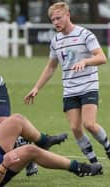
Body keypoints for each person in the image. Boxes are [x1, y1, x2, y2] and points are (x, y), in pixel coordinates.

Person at [24, 2, 110, 164]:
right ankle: (93, 162)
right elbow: (50, 67)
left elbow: (102, 57)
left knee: (89, 124)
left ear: (68, 15)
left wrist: (85, 61)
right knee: (76, 128)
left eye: (58, 18)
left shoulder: (85, 34)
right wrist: (36, 87)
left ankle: (107, 146)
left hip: (88, 86)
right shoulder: (56, 41)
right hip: (70, 90)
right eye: (52, 19)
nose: (55, 22)